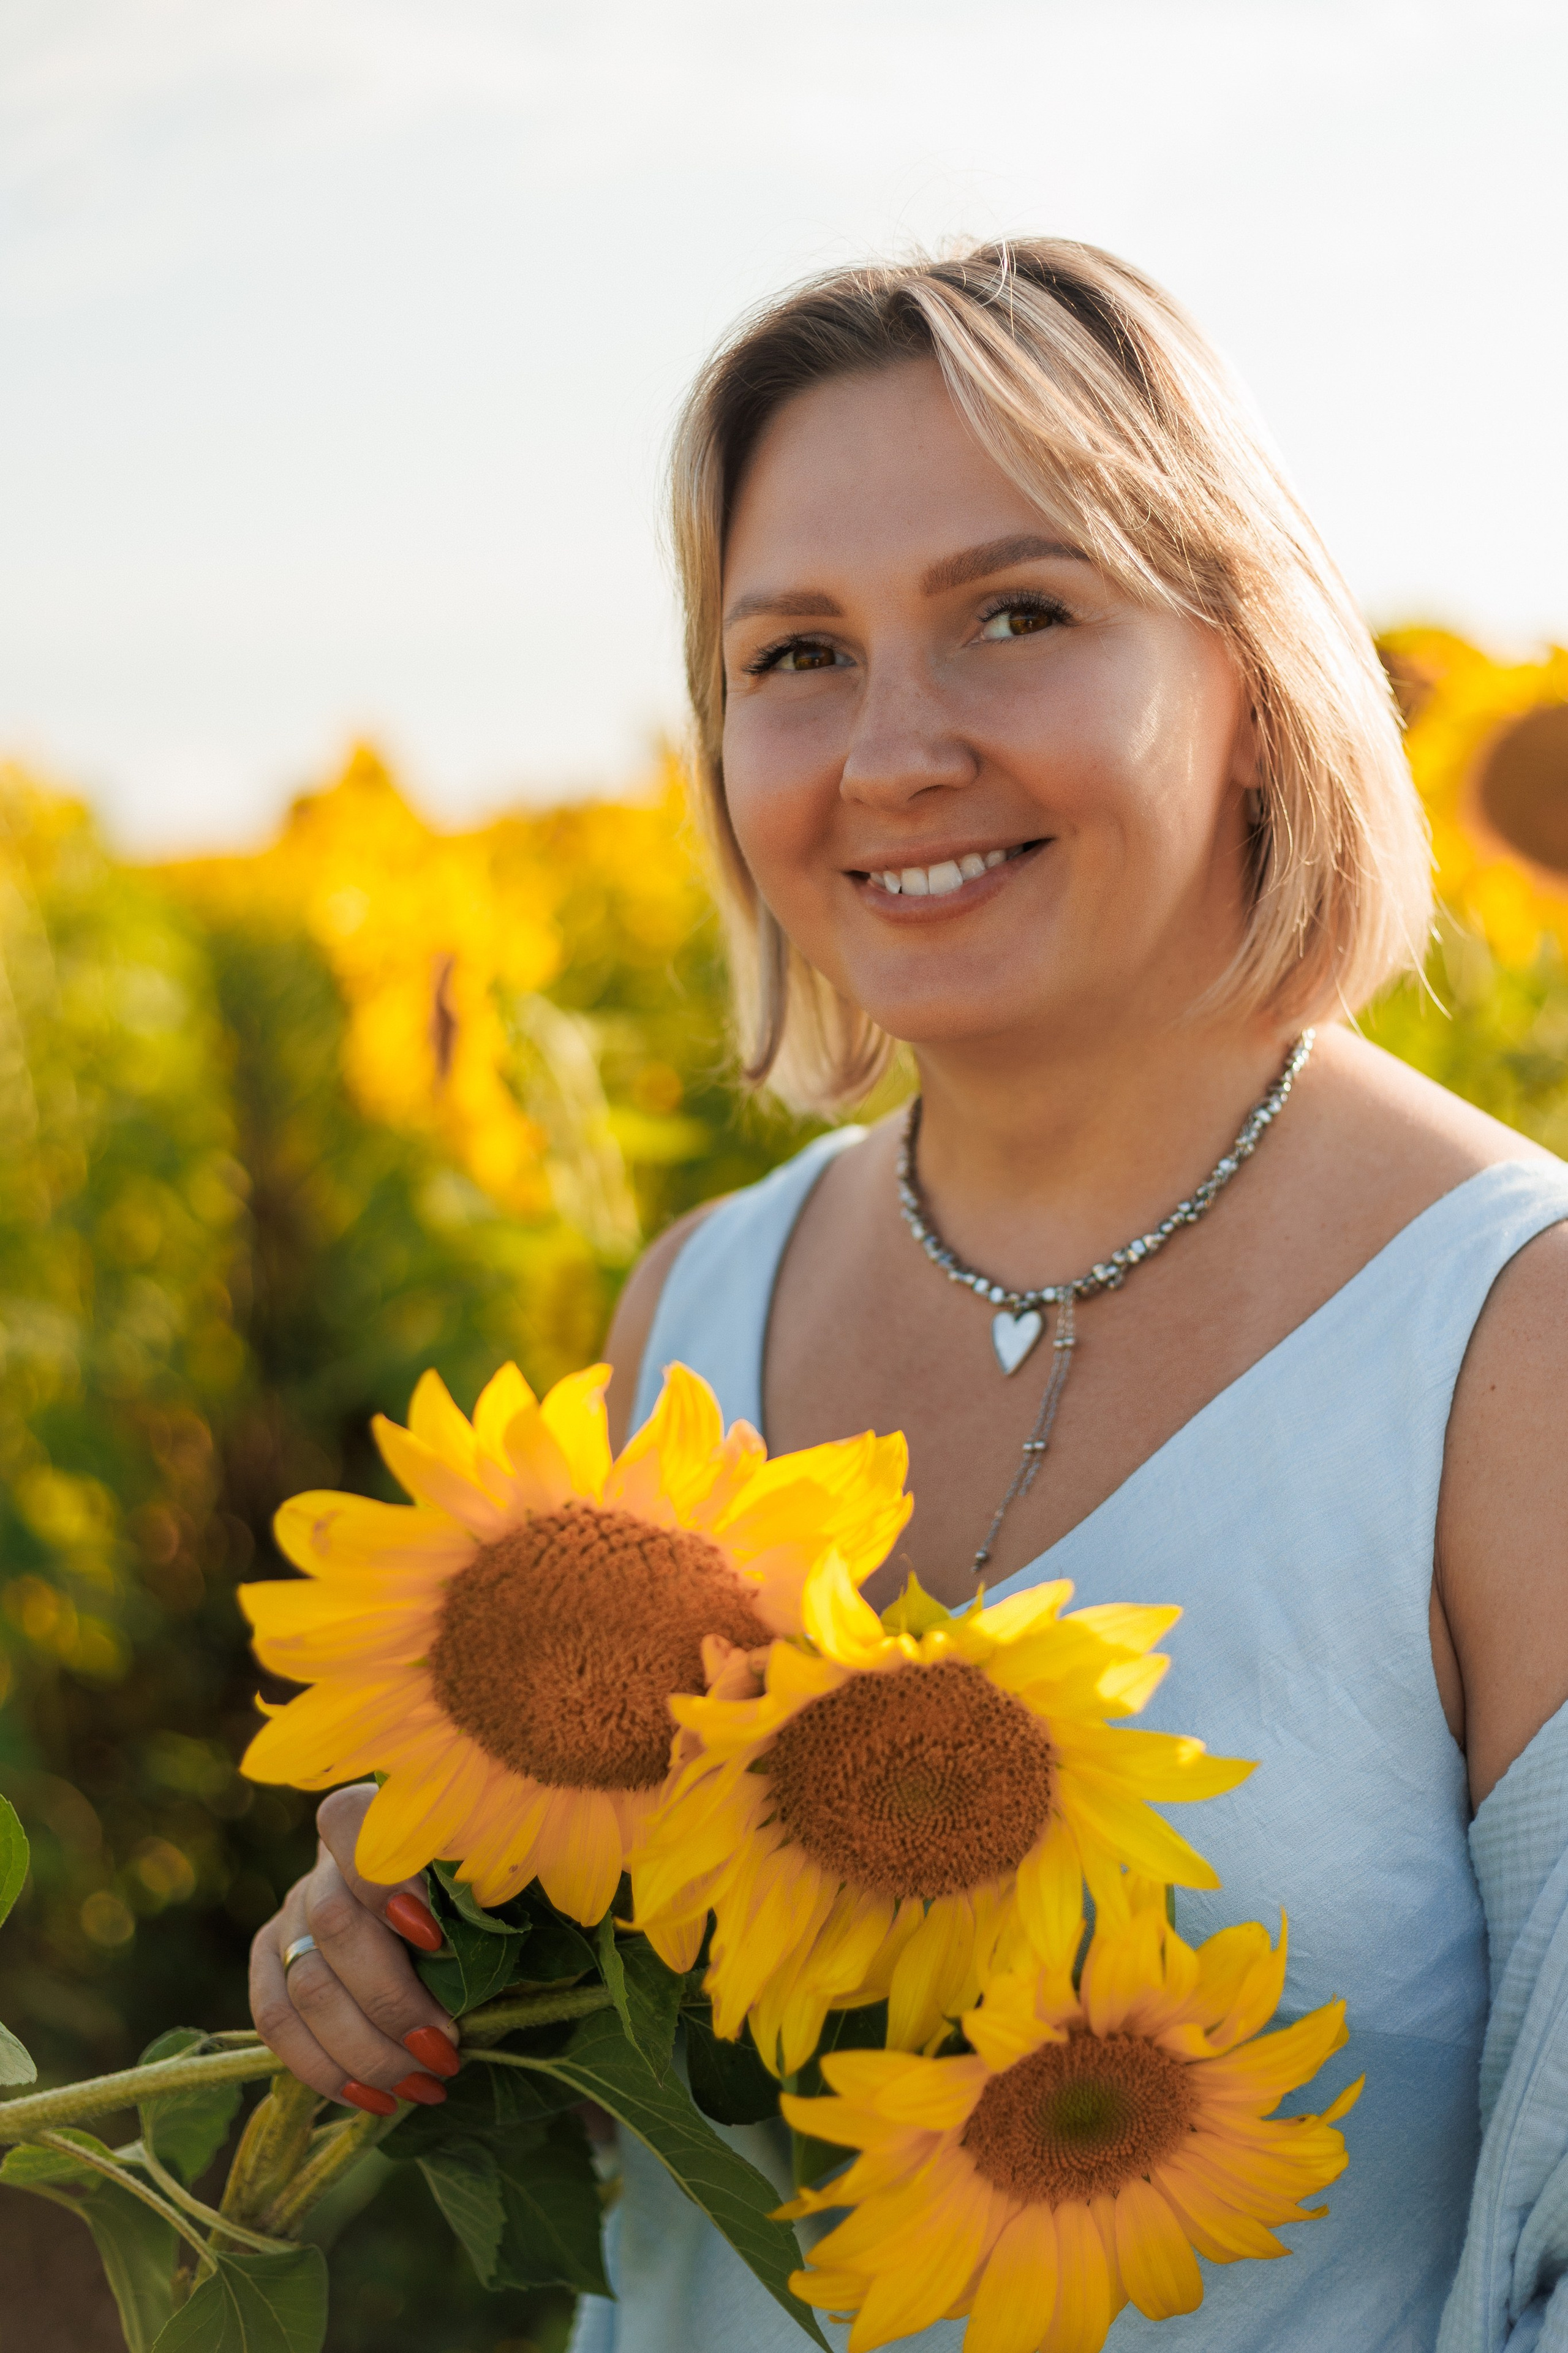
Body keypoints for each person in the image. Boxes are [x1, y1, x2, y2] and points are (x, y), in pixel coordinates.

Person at [250, 241, 1568, 2350]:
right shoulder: (698, 1305)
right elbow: (690, 2126)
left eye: (1016, 615)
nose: (891, 749)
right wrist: (423, 1936)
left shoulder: (1512, 1340)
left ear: (1252, 674)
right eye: (795, 653)